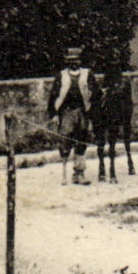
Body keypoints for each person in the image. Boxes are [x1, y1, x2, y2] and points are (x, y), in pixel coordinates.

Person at [49, 47, 98, 185]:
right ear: (67, 61)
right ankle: (64, 175)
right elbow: (53, 95)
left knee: (81, 141)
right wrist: (54, 114)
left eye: (76, 60)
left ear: (80, 60)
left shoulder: (87, 74)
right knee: (65, 141)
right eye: (70, 60)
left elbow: (95, 94)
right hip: (66, 112)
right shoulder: (61, 76)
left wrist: (92, 114)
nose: (73, 63)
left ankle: (79, 173)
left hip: (82, 112)